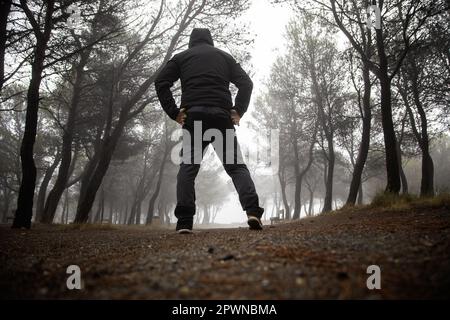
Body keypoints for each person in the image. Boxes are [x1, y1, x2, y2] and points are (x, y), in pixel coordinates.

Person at [155, 28, 264, 234]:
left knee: (188, 167)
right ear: (210, 40)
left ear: (191, 42)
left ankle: (185, 222)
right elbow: (246, 83)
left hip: (194, 116)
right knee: (236, 167)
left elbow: (161, 82)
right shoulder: (224, 57)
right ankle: (253, 212)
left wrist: (174, 112)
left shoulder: (181, 58)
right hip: (221, 116)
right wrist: (238, 110)